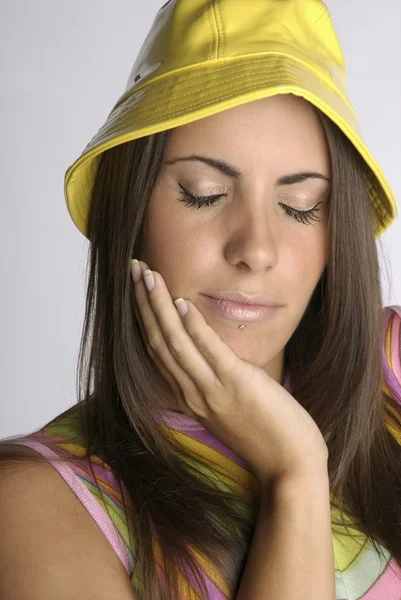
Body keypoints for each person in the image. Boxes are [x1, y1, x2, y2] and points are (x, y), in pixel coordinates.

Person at [0, 0, 400, 598]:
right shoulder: (37, 502)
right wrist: (294, 473)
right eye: (203, 194)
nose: (256, 249)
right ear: (129, 210)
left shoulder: (390, 369)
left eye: (300, 206)